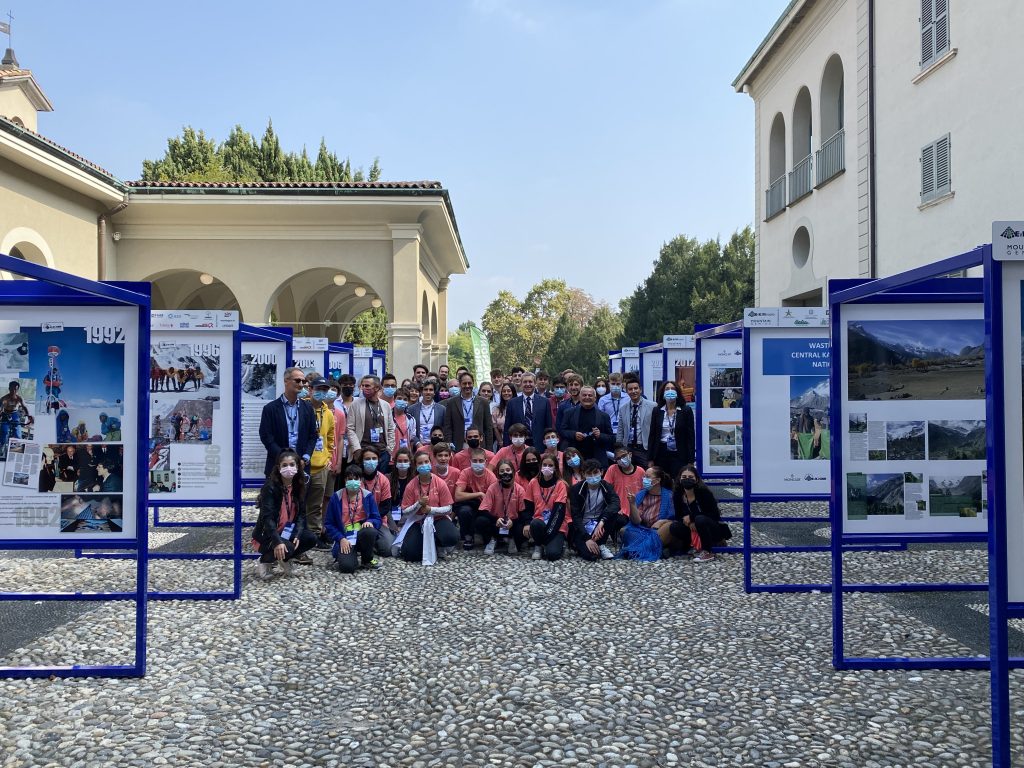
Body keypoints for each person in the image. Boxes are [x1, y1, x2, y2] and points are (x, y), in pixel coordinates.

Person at [252, 449, 318, 580]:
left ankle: (285, 558)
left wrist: (298, 534)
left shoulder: (299, 486)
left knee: (310, 538)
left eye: (292, 465)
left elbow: (301, 514)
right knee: (287, 546)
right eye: (284, 465)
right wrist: (277, 541)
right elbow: (268, 518)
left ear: (298, 466)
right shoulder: (270, 487)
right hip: (268, 535)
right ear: (278, 467)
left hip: (287, 531)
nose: (289, 468)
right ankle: (264, 560)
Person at [395, 449, 459, 563]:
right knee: (410, 555)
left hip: (438, 518)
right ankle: (425, 543)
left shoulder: (440, 482)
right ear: (415, 466)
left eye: (426, 462)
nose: (424, 465)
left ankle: (438, 543)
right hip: (417, 520)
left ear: (430, 463)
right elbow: (405, 511)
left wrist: (431, 510)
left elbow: (448, 508)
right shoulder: (411, 485)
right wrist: (418, 504)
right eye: (420, 463)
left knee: (451, 537)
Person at [258, 366, 317, 478]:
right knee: (276, 495)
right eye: (297, 380)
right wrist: (283, 458)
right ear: (286, 381)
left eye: (303, 381)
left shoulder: (308, 407)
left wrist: (305, 457)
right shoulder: (270, 408)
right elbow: (266, 437)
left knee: (299, 496)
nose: (301, 384)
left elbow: (313, 435)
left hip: (301, 466)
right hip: (277, 465)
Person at [325, 464, 382, 573]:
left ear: (361, 480)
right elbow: (329, 524)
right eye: (350, 479)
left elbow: (377, 518)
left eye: (356, 479)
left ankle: (367, 559)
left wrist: (370, 522)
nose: (353, 481)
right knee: (347, 567)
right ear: (345, 480)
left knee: (370, 531)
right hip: (345, 537)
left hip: (361, 534)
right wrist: (340, 538)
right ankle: (351, 555)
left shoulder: (368, 496)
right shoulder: (336, 497)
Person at [668, 465, 731, 562]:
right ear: (679, 479)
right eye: (684, 477)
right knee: (674, 527)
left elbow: (714, 515)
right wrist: (689, 522)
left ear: (696, 479)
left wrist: (692, 518)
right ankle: (692, 546)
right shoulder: (678, 494)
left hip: (710, 526)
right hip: (690, 526)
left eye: (690, 477)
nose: (687, 479)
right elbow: (678, 515)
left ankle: (707, 551)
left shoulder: (704, 493)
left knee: (700, 519)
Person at [304, 374, 336, 558]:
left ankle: (314, 536)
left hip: (321, 465)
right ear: (310, 389)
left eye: (324, 390)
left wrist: (328, 456)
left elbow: (330, 437)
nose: (321, 393)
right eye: (318, 390)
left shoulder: (329, 413)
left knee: (316, 505)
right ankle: (297, 534)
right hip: (304, 464)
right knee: (299, 502)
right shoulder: (302, 408)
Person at [567, 459, 624, 561]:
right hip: (582, 527)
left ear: (601, 472)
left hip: (599, 524)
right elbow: (575, 516)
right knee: (592, 556)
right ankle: (580, 543)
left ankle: (601, 544)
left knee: (614, 514)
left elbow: (616, 503)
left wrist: (602, 521)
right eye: (589, 473)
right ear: (583, 474)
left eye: (595, 472)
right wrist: (587, 538)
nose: (593, 476)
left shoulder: (607, 486)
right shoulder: (576, 489)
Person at [522, 453, 570, 561]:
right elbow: (528, 506)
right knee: (535, 523)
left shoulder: (560, 484)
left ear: (555, 468)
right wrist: (526, 523)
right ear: (540, 466)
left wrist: (549, 534)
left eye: (550, 465)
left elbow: (559, 512)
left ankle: (554, 543)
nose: (547, 468)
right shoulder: (533, 482)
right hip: (540, 521)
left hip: (556, 524)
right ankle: (538, 546)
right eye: (544, 465)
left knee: (552, 555)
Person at [620, 466, 675, 561]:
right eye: (644, 476)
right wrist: (632, 504)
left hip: (658, 530)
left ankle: (638, 550)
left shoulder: (670, 496)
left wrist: (662, 521)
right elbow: (636, 521)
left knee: (667, 528)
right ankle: (656, 549)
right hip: (643, 530)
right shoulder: (641, 494)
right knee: (624, 531)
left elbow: (675, 519)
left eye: (647, 477)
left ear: (657, 481)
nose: (644, 479)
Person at [346, 375, 396, 474]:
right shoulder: (355, 405)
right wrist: (356, 449)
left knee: (380, 483)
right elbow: (350, 429)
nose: (364, 388)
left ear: (377, 388)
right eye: (362, 386)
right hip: (362, 453)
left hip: (382, 453)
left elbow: (391, 428)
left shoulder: (385, 406)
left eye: (367, 386)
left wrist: (389, 449)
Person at [559, 386, 614, 468]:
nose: (587, 397)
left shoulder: (604, 416)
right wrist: (574, 434)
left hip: (597, 456)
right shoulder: (569, 413)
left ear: (595, 398)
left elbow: (611, 437)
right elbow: (562, 431)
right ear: (580, 397)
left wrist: (600, 435)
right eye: (584, 395)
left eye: (590, 395)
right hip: (575, 455)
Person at [649, 381, 695, 478]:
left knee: (677, 481)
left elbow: (690, 437)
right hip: (661, 452)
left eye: (673, 389)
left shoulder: (686, 411)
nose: (670, 391)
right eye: (667, 389)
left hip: (679, 453)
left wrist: (691, 461)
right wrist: (650, 459)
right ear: (663, 393)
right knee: (662, 481)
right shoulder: (657, 411)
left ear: (677, 392)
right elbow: (652, 435)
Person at [478, 458, 524, 555]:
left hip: (512, 523)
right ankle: (493, 539)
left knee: (522, 527)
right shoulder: (493, 487)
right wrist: (496, 520)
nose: (505, 473)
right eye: (502, 471)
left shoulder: (520, 489)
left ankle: (511, 539)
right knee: (481, 520)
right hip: (497, 523)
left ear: (513, 471)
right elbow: (483, 510)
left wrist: (513, 521)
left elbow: (523, 513)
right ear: (498, 474)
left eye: (508, 470)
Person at [454, 448, 498, 550]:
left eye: (481, 461)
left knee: (482, 521)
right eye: (474, 461)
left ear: (486, 462)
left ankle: (489, 536)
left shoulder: (491, 477)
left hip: (486, 507)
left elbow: (495, 500)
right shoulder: (465, 472)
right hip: (471, 504)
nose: (477, 463)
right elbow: (457, 496)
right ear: (470, 461)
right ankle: (468, 537)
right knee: (464, 511)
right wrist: (478, 494)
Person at [357, 446, 395, 557]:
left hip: (378, 518)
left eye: (374, 458)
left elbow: (385, 506)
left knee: (388, 550)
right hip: (356, 519)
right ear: (362, 461)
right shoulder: (355, 479)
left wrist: (372, 520)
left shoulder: (383, 480)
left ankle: (371, 543)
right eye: (367, 459)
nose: (371, 462)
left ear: (378, 460)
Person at [503, 372, 552, 449]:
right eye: (525, 382)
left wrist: (548, 447)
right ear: (521, 384)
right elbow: (507, 428)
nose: (527, 384)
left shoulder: (545, 402)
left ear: (535, 384)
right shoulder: (512, 403)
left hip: (539, 445)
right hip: (518, 445)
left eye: (530, 382)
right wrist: (506, 448)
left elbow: (548, 426)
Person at [604, 444, 646, 514]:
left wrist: (641, 509)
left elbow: (645, 492)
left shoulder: (640, 471)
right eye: (618, 458)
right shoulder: (612, 469)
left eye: (623, 456)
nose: (621, 460)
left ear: (630, 454)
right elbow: (606, 490)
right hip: (618, 511)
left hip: (636, 511)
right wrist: (614, 508)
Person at [407, 378, 446, 451]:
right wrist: (418, 443)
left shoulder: (442, 409)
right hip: (418, 447)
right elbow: (410, 430)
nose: (428, 392)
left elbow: (444, 428)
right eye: (425, 389)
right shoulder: (412, 409)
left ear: (434, 392)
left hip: (436, 447)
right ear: (421, 392)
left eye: (431, 390)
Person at [387, 446, 416, 538]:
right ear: (395, 463)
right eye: (399, 461)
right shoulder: (387, 478)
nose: (402, 463)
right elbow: (385, 505)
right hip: (390, 518)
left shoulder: (416, 480)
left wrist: (402, 524)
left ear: (410, 463)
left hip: (409, 517)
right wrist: (394, 526)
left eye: (405, 461)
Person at [597, 372, 627, 444]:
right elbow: (600, 418)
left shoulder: (628, 398)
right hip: (608, 433)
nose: (615, 386)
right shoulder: (603, 400)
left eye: (618, 384)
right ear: (609, 384)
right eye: (613, 384)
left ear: (622, 384)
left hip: (624, 433)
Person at [554, 374, 583, 447]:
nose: (573, 387)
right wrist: (573, 434)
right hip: (567, 444)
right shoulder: (563, 405)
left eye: (576, 384)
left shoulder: (587, 404)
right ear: (567, 387)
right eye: (571, 385)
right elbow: (559, 428)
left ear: (581, 386)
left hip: (585, 443)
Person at [391, 386, 414, 453]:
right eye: (399, 398)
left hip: (405, 457)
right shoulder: (387, 417)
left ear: (408, 402)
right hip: (390, 457)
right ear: (394, 399)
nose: (402, 401)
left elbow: (412, 439)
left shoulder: (411, 419)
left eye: (405, 399)